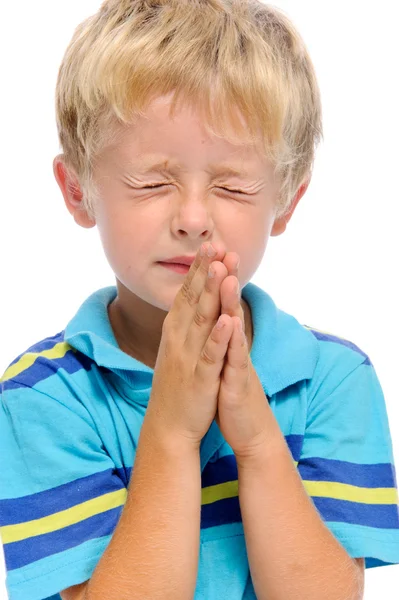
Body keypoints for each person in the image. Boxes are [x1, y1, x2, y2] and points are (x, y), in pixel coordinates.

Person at [1, 1, 399, 599]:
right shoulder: (44, 398)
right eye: (152, 182)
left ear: (286, 201)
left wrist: (259, 442)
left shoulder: (332, 379)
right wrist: (171, 431)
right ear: (78, 189)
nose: (191, 219)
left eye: (232, 185)